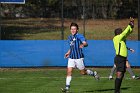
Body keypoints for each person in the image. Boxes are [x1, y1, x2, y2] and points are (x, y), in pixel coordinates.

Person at [61, 22, 100, 93]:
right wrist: (68, 52)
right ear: (70, 30)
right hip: (71, 58)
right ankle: (67, 88)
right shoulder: (69, 37)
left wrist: (83, 44)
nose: (73, 30)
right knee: (69, 71)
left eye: (74, 29)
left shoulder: (79, 36)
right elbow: (71, 47)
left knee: (83, 72)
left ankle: (93, 73)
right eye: (72, 29)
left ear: (77, 30)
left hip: (79, 58)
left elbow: (85, 43)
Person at [113, 17, 134, 93]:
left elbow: (128, 32)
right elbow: (125, 32)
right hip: (119, 58)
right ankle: (116, 91)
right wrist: (129, 24)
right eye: (120, 32)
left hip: (123, 58)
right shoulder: (116, 38)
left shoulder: (121, 39)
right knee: (119, 74)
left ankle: (118, 90)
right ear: (118, 33)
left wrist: (131, 26)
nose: (122, 32)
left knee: (121, 74)